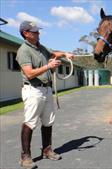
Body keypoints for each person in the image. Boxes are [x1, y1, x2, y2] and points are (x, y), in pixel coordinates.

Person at [16, 21, 74, 169]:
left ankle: (47, 150)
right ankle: (25, 157)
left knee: (48, 121)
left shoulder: (41, 48)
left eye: (37, 31)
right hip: (33, 90)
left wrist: (66, 54)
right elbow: (29, 73)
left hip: (47, 89)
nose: (38, 33)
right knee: (30, 122)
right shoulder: (24, 51)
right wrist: (49, 66)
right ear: (26, 34)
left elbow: (55, 53)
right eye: (34, 31)